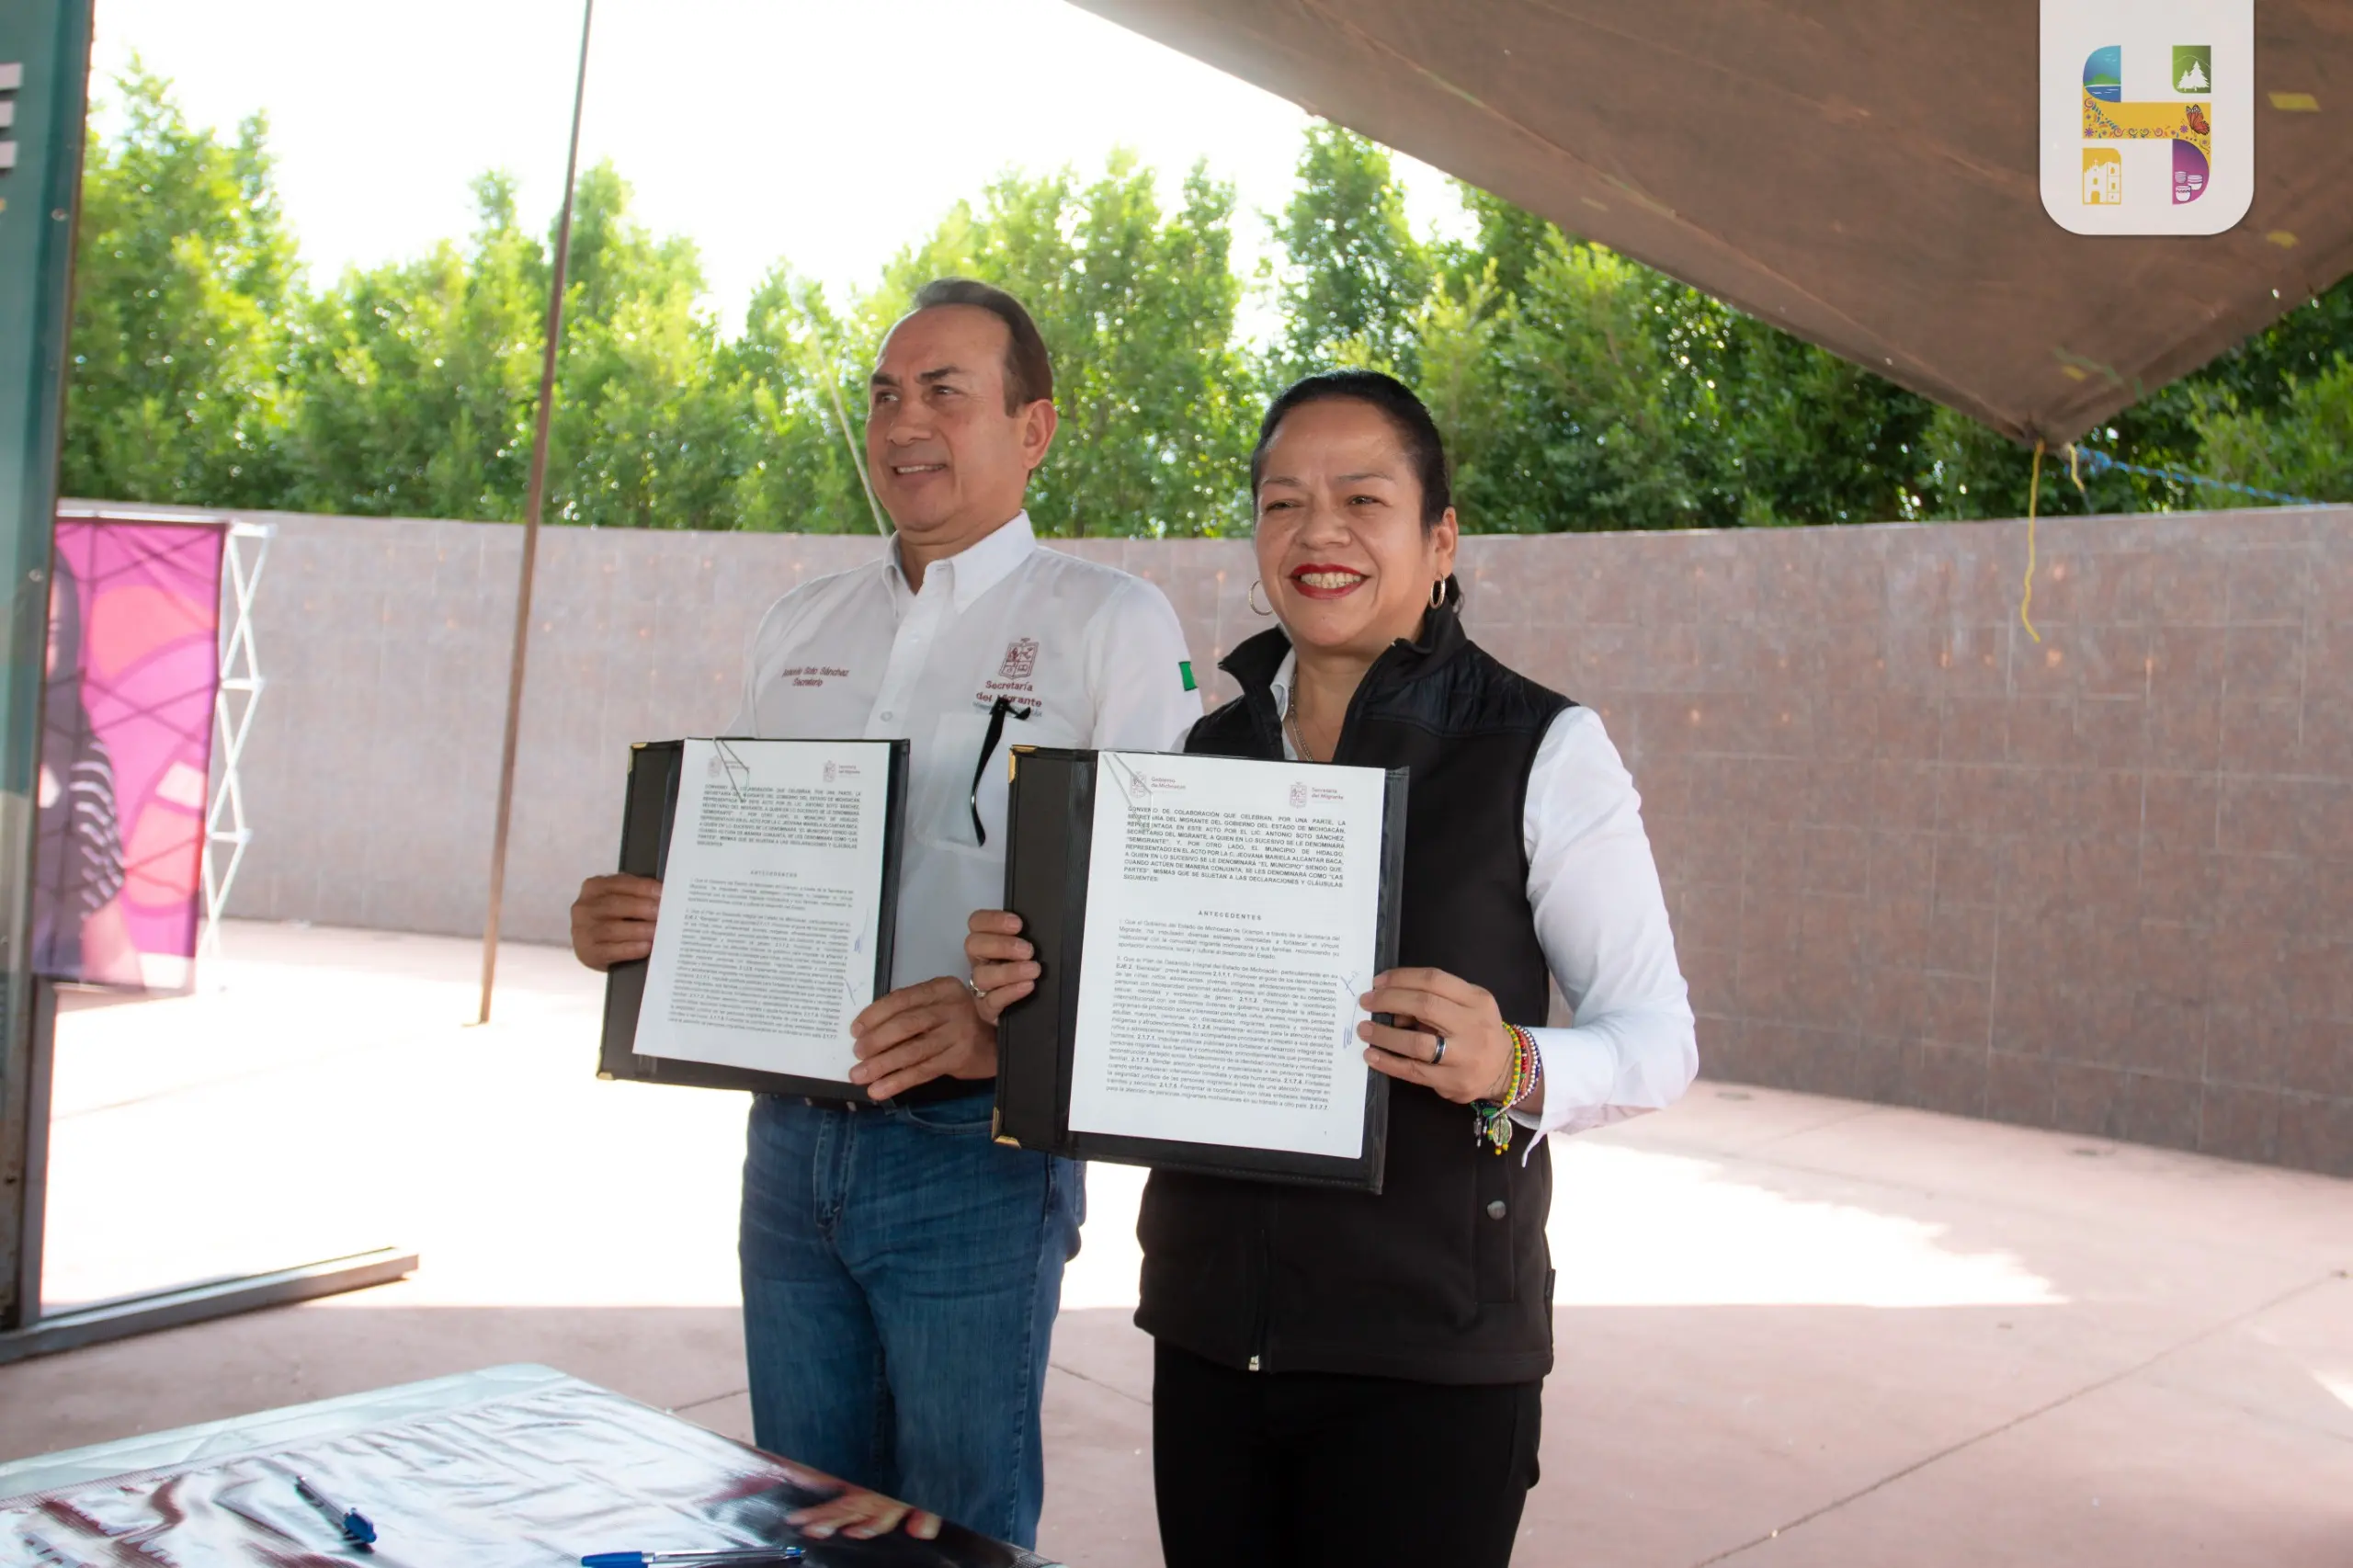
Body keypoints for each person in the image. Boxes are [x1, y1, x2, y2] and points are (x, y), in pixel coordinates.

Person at [966, 370, 1698, 1567]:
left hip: (1429, 1360)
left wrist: (1509, 1062)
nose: (1319, 532)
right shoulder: (1200, 753)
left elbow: (1657, 1040)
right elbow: (1162, 1018)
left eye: (1363, 499)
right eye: (1283, 502)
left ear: (1441, 539)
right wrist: (1034, 988)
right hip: (1210, 1338)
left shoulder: (1542, 747)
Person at [569, 278, 1200, 1550]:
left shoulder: (1110, 624)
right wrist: (639, 922)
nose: (905, 422)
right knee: (800, 1515)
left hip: (977, 1152)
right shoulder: (802, 622)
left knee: (954, 1533)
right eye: (884, 395)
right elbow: (745, 858)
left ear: (1033, 429)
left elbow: (1163, 913)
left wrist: (994, 1027)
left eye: (945, 392)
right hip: (789, 1141)